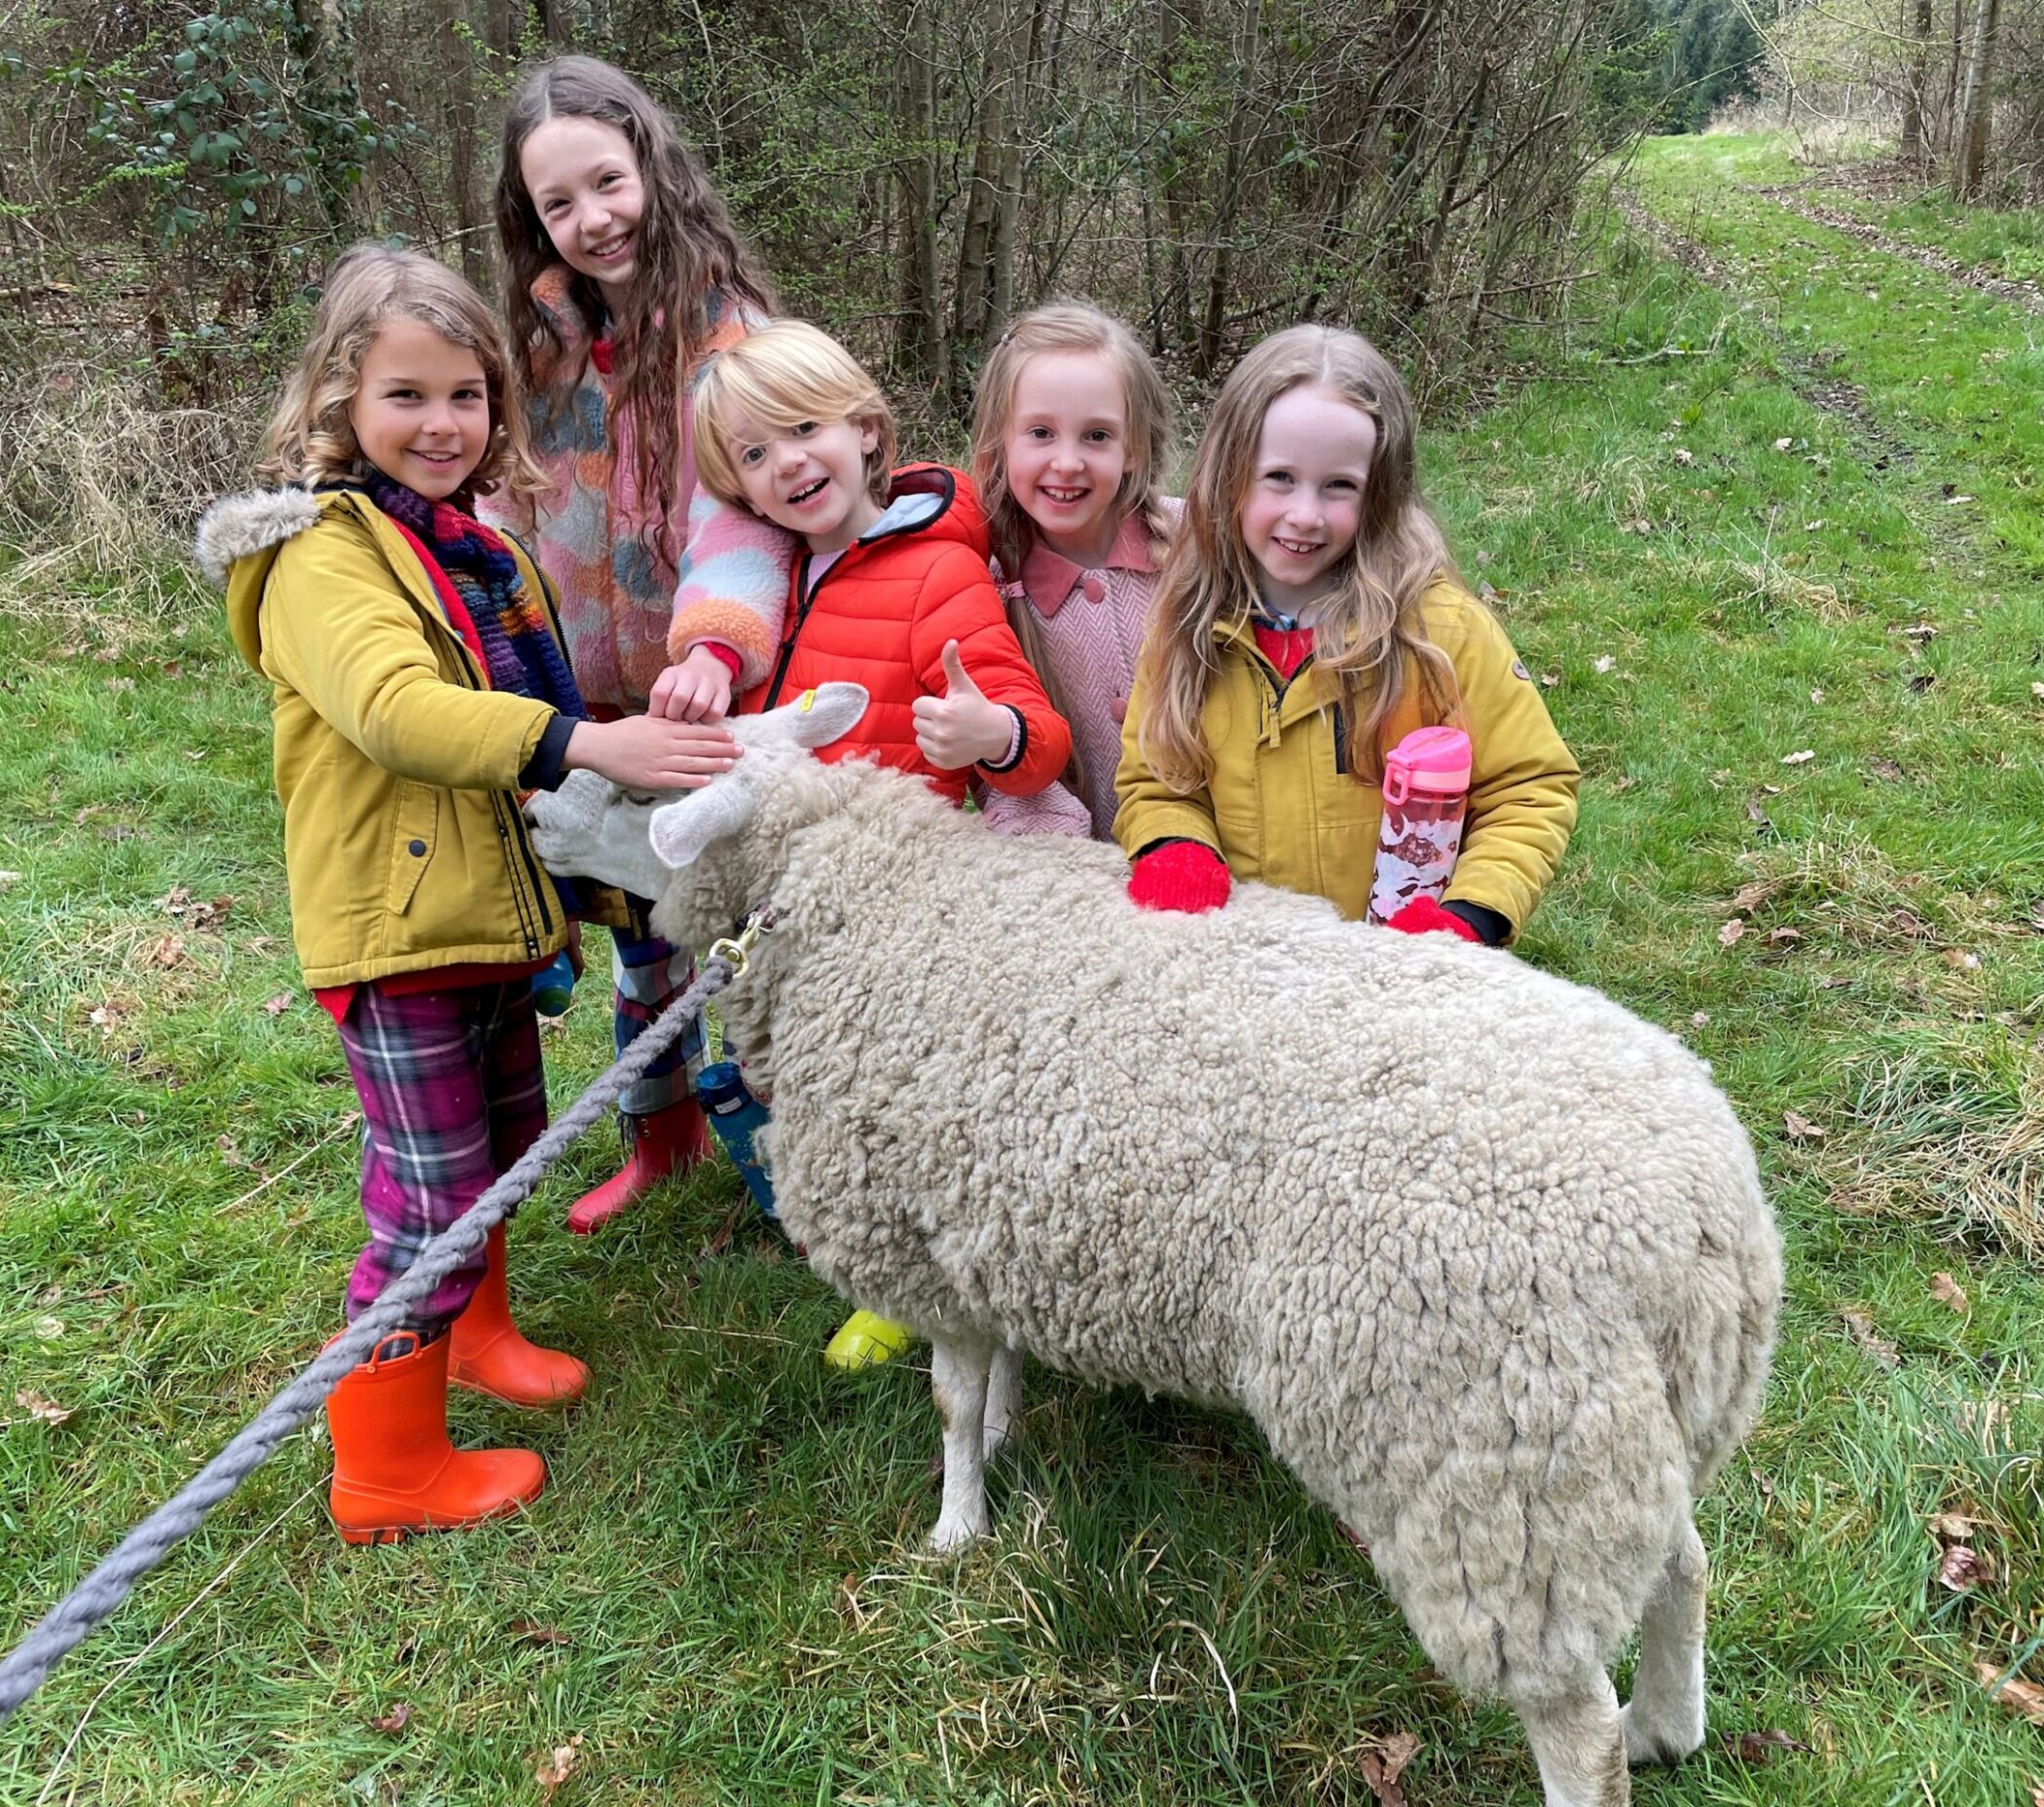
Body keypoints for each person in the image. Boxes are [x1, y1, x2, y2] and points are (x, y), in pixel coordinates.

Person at [204, 244, 741, 1543]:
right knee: (432, 1195)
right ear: (340, 397)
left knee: (496, 1151)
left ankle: (475, 1334)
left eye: (465, 396)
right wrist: (582, 744)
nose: (440, 425)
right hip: (398, 927)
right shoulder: (325, 552)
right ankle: (385, 1467)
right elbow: (399, 713)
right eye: (406, 396)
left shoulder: (464, 543)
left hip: (482, 908)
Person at [691, 318, 1074, 1367]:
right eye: (756, 455)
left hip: (887, 898)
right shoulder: (763, 585)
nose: (789, 464)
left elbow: (1039, 741)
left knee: (877, 1099)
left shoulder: (932, 574)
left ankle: (901, 1276)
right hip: (775, 890)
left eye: (804, 428)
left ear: (865, 428)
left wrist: (988, 734)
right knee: (778, 1072)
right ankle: (825, 1229)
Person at [490, 54, 787, 1233]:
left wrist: (713, 646)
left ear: (652, 166)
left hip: (715, 698)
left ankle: (783, 1153)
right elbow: (510, 497)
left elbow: (744, 516)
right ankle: (656, 1137)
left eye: (606, 183)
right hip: (595, 700)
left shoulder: (733, 341)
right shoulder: (545, 346)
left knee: (740, 932)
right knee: (639, 937)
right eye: (558, 205)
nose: (592, 220)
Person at [1115, 323, 1579, 941]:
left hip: (1405, 975)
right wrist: (1176, 847)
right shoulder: (1189, 624)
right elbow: (1155, 780)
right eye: (1279, 476)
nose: (1305, 515)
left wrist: (1469, 918)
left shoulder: (1439, 631)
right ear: (1229, 474)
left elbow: (1529, 788)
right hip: (1244, 964)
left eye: (1340, 486)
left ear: (1381, 493)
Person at [967, 302, 1176, 840]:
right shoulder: (982, 590)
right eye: (1040, 433)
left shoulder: (1196, 543)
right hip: (1084, 886)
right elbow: (1002, 772)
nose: (1067, 462)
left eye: (1097, 436)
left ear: (1135, 446)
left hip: (1224, 868)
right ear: (1000, 440)